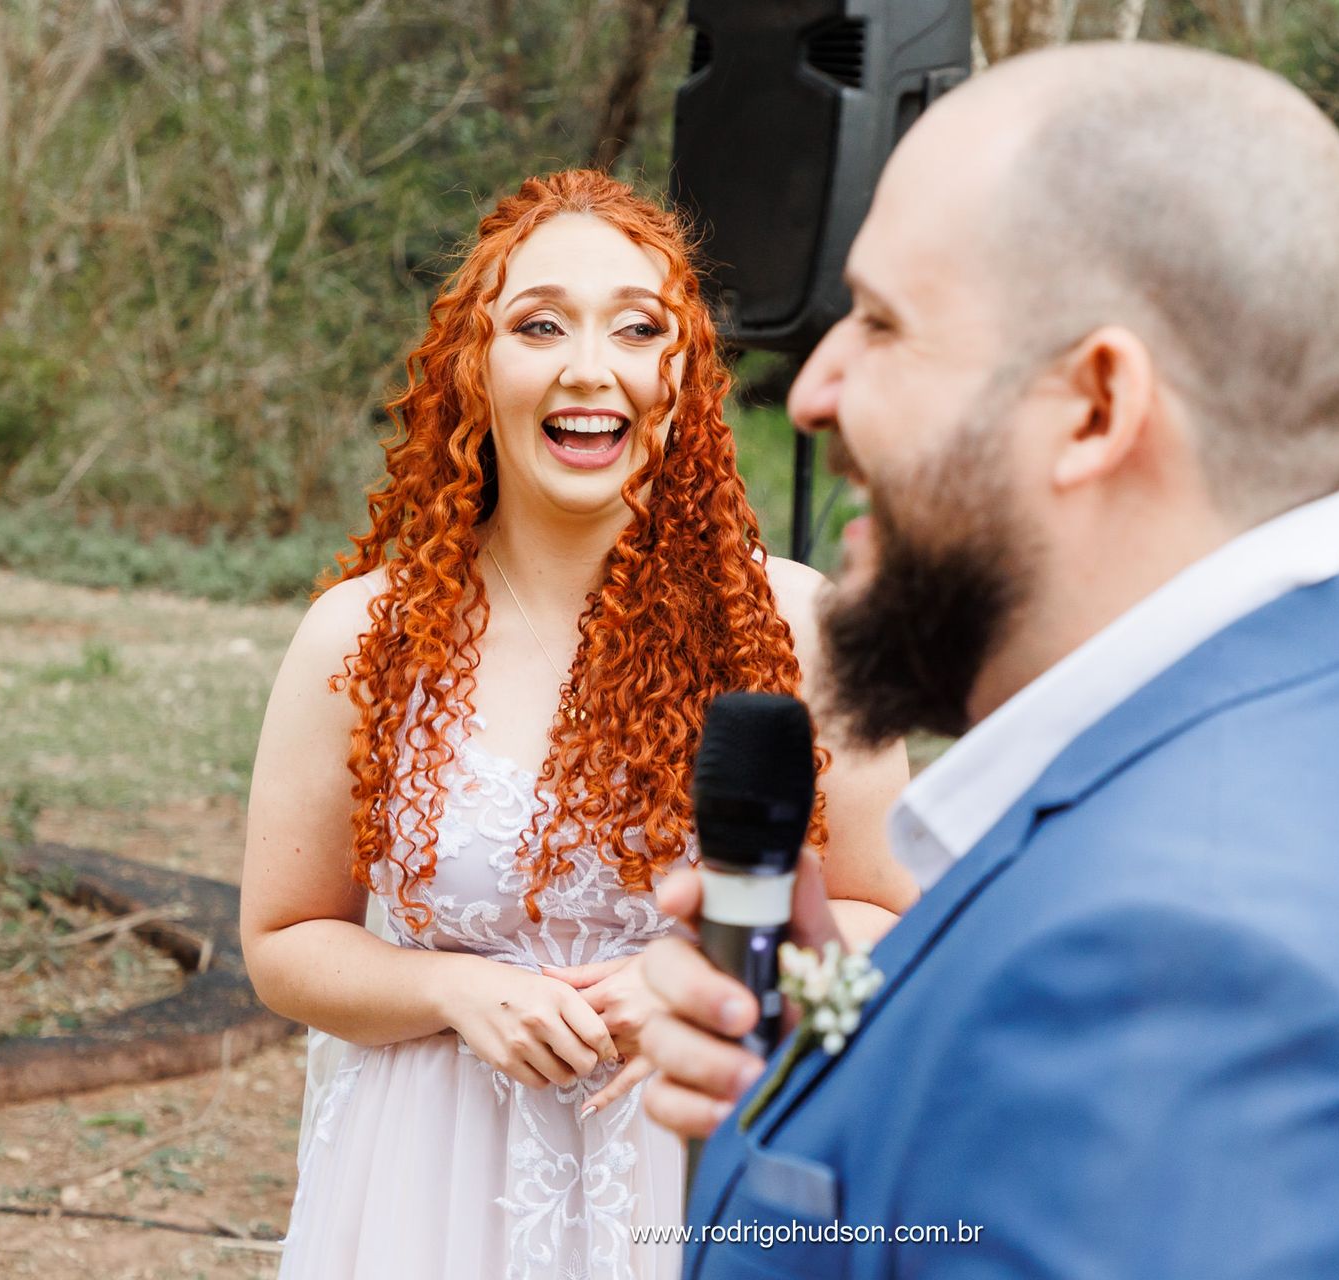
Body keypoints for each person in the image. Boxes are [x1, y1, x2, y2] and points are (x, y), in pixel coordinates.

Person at [636, 42, 1339, 1278]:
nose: (813, 389)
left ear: (1097, 406)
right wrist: (868, 1058)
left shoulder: (1177, 977)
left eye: (885, 324)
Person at [237, 169, 916, 1279]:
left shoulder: (801, 626)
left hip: (702, 1174)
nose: (589, 367)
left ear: (682, 371)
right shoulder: (358, 637)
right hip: (426, 1194)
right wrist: (449, 987)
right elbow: (282, 943)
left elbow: (889, 916)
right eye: (539, 323)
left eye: (637, 327)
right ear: (475, 364)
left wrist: (714, 971)